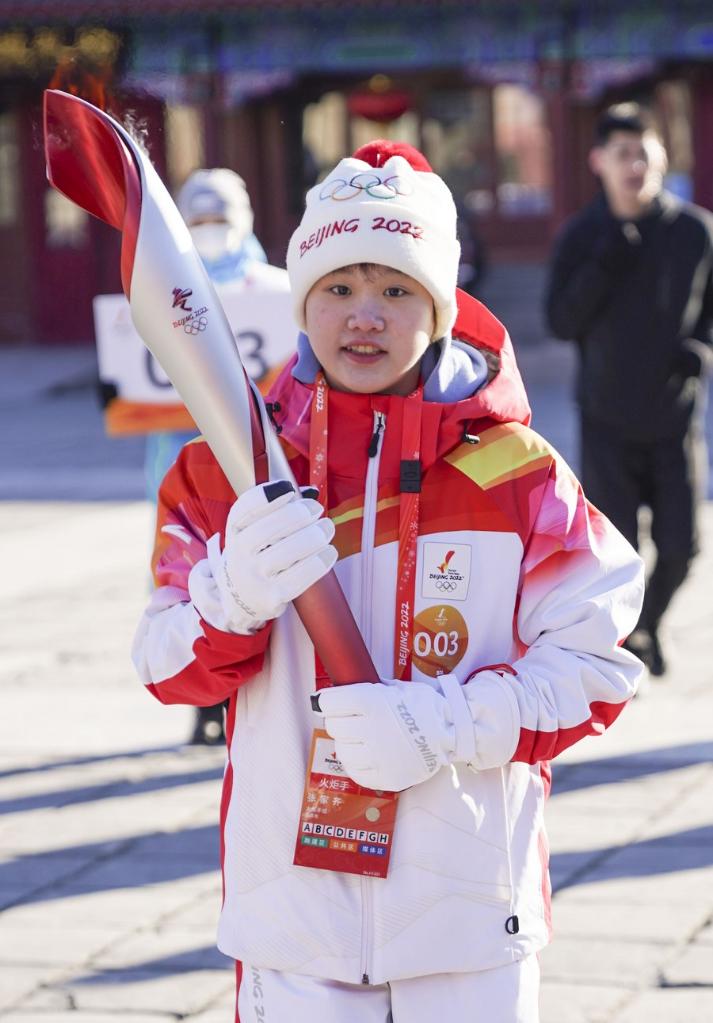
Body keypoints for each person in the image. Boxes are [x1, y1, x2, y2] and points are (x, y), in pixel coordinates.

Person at [132, 140, 644, 1021]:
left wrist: (443, 722)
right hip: (292, 925)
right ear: (301, 299)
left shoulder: (517, 474)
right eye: (337, 287)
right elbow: (164, 666)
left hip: (468, 922)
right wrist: (230, 597)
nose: (363, 316)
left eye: (396, 290)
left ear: (440, 307)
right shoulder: (226, 473)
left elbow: (596, 669)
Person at [545, 103, 713, 676]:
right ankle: (632, 639)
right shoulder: (583, 235)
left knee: (683, 546)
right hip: (606, 419)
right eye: (623, 154)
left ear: (662, 156)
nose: (635, 165)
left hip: (674, 417)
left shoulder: (694, 232)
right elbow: (560, 322)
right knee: (618, 554)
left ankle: (646, 626)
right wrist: (606, 260)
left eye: (644, 152)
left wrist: (701, 352)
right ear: (600, 162)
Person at [146, 168, 268, 745]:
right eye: (200, 220)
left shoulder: (279, 292)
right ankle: (204, 703)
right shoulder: (156, 290)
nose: (212, 230)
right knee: (186, 576)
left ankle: (249, 694)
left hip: (257, 464)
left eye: (222, 218)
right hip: (181, 462)